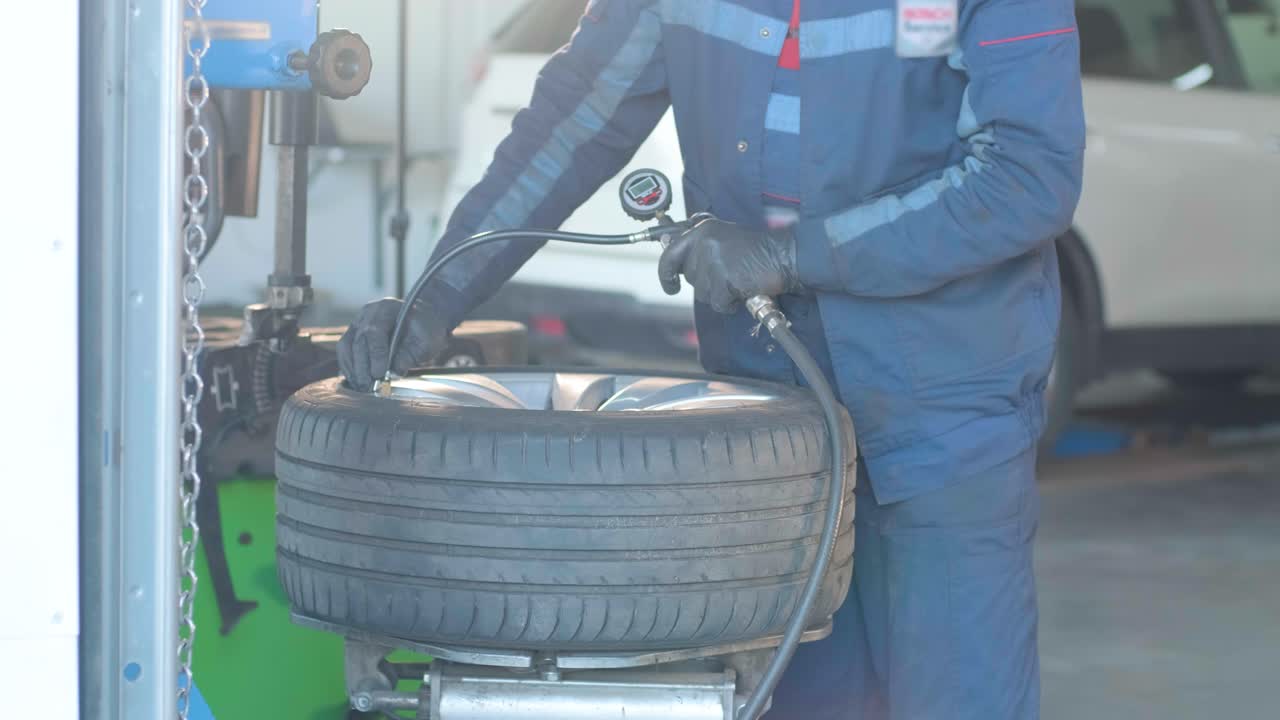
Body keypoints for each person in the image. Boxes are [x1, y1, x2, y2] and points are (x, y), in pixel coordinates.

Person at [338, 1, 1085, 717]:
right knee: (798, 696)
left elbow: (1027, 175)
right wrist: (438, 297)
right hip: (768, 425)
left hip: (944, 409)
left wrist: (799, 256)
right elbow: (572, 121)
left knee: (955, 693)